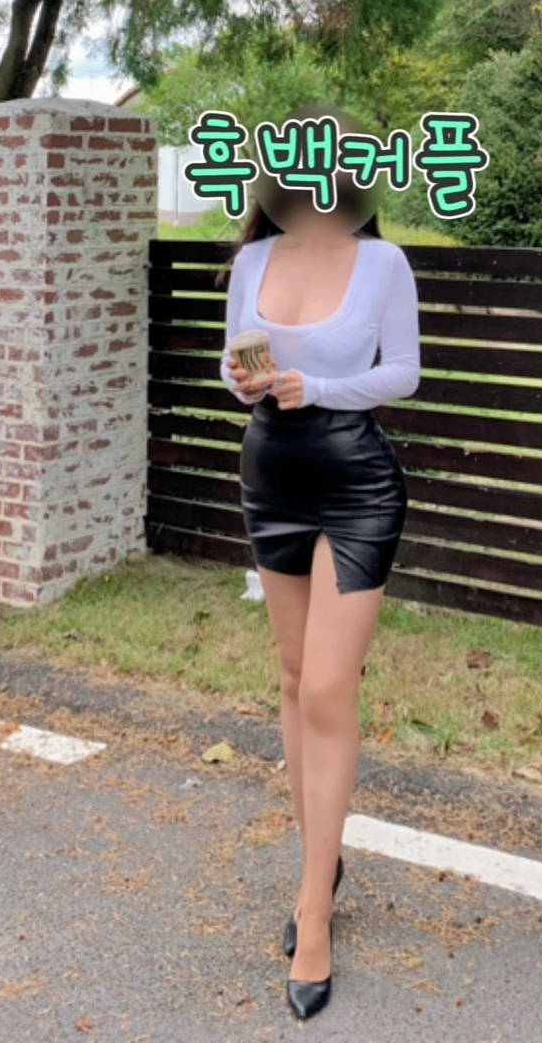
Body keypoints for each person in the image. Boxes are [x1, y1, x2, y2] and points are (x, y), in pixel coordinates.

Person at [217, 150, 422, 1021]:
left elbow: (403, 372)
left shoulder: (383, 262)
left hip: (357, 481)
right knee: (296, 678)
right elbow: (231, 368)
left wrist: (320, 386)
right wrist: (245, 381)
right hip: (271, 473)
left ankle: (313, 915)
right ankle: (319, 863)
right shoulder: (254, 260)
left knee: (331, 687)